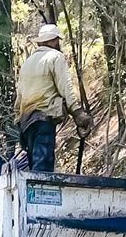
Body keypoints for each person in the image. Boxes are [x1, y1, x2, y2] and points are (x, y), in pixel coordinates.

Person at [15, 23, 93, 172]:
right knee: (42, 169)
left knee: (34, 168)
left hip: (26, 122)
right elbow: (66, 87)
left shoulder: (26, 64)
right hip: (44, 118)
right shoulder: (56, 57)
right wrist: (78, 113)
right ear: (53, 41)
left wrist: (19, 124)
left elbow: (19, 99)